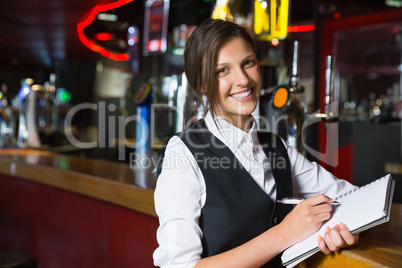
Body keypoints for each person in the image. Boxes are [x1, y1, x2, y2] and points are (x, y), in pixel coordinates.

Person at [153, 18, 358, 268]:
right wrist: (284, 234)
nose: (243, 80)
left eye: (248, 63)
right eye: (223, 70)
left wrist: (346, 226)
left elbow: (349, 197)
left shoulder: (276, 146)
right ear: (201, 84)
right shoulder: (183, 153)